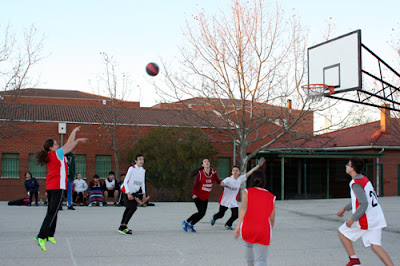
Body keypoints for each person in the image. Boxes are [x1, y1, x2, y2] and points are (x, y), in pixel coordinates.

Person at [34, 126, 87, 252]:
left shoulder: (54, 154)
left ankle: (49, 235)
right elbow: (70, 146)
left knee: (54, 210)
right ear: (51, 147)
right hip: (57, 186)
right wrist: (78, 140)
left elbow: (68, 144)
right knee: (52, 212)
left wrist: (74, 131)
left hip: (53, 186)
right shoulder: (56, 154)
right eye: (56, 144)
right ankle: (41, 236)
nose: (58, 145)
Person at [336, 157, 394, 266]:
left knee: (342, 232)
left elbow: (363, 203)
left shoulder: (356, 183)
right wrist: (345, 208)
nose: (346, 166)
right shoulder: (364, 179)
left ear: (353, 169)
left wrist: (352, 218)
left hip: (366, 218)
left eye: (348, 165)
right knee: (376, 245)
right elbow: (360, 200)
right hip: (376, 216)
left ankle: (354, 260)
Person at [234, 170, 276, 266]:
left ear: (252, 180)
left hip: (248, 228)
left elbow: (243, 209)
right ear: (264, 181)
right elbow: (272, 219)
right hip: (263, 229)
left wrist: (238, 226)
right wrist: (268, 229)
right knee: (261, 260)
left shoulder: (246, 192)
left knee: (248, 247)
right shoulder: (271, 197)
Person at [211, 158, 266, 230]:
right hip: (225, 200)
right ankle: (214, 218)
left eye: (237, 170)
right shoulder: (228, 179)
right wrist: (215, 176)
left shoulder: (240, 179)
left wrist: (258, 165)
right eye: (233, 170)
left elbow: (250, 172)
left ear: (239, 172)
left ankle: (228, 224)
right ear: (231, 172)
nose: (235, 172)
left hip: (233, 201)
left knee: (235, 215)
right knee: (221, 215)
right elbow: (221, 183)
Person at [181, 158, 221, 233]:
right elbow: (195, 186)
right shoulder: (200, 174)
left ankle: (191, 225)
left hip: (205, 197)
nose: (207, 162)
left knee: (202, 214)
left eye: (208, 161)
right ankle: (186, 222)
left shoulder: (213, 172)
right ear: (202, 165)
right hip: (198, 196)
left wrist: (215, 175)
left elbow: (218, 182)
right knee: (201, 212)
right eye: (205, 162)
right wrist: (194, 194)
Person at [118, 153, 150, 235]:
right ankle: (123, 226)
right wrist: (128, 193)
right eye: (139, 159)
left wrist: (143, 193)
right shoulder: (131, 169)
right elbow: (125, 181)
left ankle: (122, 226)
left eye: (142, 159)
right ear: (136, 161)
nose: (141, 161)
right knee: (132, 207)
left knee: (129, 208)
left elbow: (142, 182)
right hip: (126, 190)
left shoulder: (143, 170)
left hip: (134, 192)